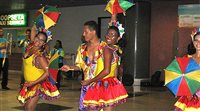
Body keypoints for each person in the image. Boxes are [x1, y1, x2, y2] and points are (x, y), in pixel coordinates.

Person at [61, 21, 128, 111]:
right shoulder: (82, 48)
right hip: (87, 86)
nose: (83, 34)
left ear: (93, 32)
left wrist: (114, 86)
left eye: (86, 32)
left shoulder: (105, 47)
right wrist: (70, 68)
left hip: (101, 86)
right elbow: (80, 65)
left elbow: (112, 69)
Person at [17, 26, 60, 111]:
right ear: (35, 37)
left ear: (44, 43)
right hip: (28, 83)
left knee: (29, 108)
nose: (38, 41)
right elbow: (33, 29)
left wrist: (33, 83)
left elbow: (48, 72)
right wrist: (39, 20)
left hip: (37, 84)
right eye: (38, 38)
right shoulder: (30, 46)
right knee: (26, 108)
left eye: (42, 40)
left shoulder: (40, 56)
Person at [174, 28, 200, 111]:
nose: (198, 43)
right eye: (196, 40)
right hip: (189, 96)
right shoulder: (186, 58)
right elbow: (180, 77)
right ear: (193, 42)